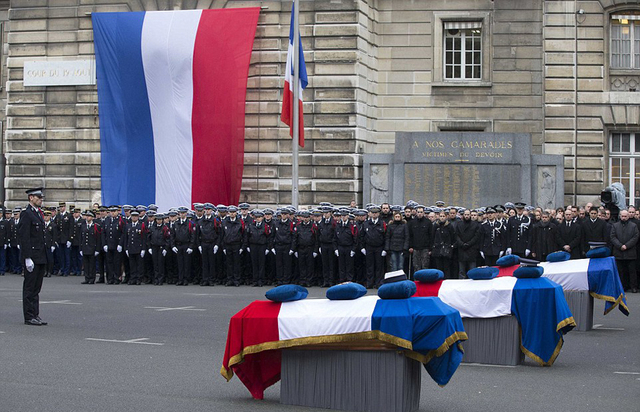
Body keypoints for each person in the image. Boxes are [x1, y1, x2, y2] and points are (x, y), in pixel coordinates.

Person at [18, 188, 49, 326]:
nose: (41, 200)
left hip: (40, 256)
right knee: (29, 288)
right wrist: (27, 257)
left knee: (36, 288)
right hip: (32, 256)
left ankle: (35, 314)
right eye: (38, 197)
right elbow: (24, 237)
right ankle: (29, 316)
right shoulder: (26, 214)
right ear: (31, 198)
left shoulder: (38, 214)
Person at [611, 209, 639, 292]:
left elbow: (635, 237)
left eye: (625, 216)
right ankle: (622, 286)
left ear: (628, 216)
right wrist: (620, 246)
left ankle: (633, 287)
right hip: (618, 252)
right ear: (620, 216)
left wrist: (626, 245)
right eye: (622, 216)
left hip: (630, 251)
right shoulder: (615, 226)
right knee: (620, 271)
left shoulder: (633, 226)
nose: (623, 218)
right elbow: (612, 237)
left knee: (632, 271)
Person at [359, 206, 387, 288]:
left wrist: (385, 249)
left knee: (379, 266)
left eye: (376, 213)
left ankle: (378, 283)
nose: (374, 215)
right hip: (369, 247)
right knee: (369, 266)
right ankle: (370, 282)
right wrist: (362, 248)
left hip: (379, 247)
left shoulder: (382, 223)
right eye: (372, 213)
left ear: (378, 214)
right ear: (369, 214)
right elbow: (361, 237)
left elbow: (386, 237)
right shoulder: (366, 224)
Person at [121, 210, 148, 285]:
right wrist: (126, 248)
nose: (134, 218)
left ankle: (139, 278)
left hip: (139, 248)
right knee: (132, 265)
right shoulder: (128, 225)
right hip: (131, 248)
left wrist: (143, 249)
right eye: (133, 216)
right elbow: (126, 237)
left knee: (139, 265)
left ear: (138, 217)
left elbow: (144, 238)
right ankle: (133, 278)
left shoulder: (141, 225)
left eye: (135, 216)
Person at [455, 209, 481, 278]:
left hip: (471, 250)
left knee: (472, 270)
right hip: (462, 249)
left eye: (468, 215)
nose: (466, 216)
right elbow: (456, 236)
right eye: (465, 215)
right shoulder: (459, 224)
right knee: (461, 271)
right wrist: (461, 244)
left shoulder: (475, 225)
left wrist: (469, 244)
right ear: (463, 215)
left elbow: (476, 237)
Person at [407, 206, 433, 275]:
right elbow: (410, 236)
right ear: (416, 213)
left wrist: (430, 248)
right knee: (416, 266)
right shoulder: (412, 223)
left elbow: (431, 236)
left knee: (425, 266)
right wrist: (410, 246)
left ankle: (425, 283)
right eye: (418, 212)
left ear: (424, 213)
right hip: (415, 248)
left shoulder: (428, 222)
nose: (419, 214)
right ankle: (417, 282)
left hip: (425, 248)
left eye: (421, 212)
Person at [80, 210, 103, 284]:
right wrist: (80, 248)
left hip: (92, 248)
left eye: (89, 216)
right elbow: (81, 238)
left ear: (92, 218)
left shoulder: (96, 226)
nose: (87, 217)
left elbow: (98, 239)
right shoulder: (83, 226)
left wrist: (97, 249)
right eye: (86, 216)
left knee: (92, 265)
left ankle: (92, 278)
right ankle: (87, 278)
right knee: (86, 264)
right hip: (85, 248)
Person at [431, 210, 456, 279]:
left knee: (446, 267)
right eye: (441, 216)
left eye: (443, 216)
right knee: (439, 267)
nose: (442, 218)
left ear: (446, 217)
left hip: (446, 250)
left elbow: (453, 237)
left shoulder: (449, 226)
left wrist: (451, 246)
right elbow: (432, 237)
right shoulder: (435, 226)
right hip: (437, 249)